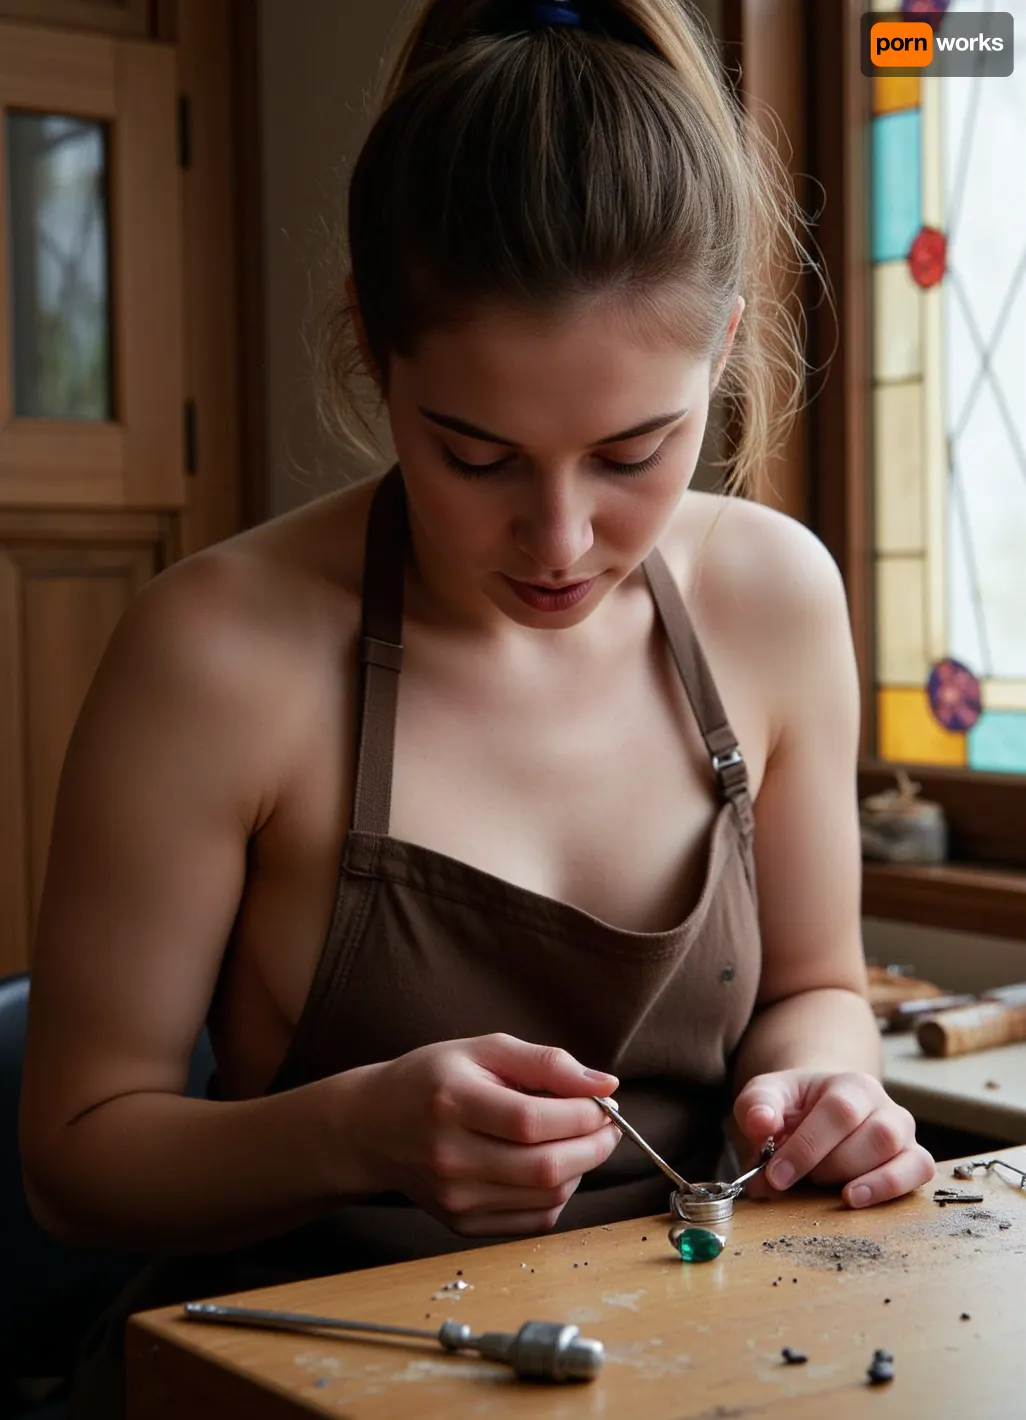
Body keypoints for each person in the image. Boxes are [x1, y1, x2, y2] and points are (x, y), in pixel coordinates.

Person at [20, 0, 934, 1413]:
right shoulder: (216, 653)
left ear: (726, 347)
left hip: (698, 1357)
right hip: (307, 1375)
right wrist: (354, 1134)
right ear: (374, 352)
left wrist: (821, 1088)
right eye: (474, 455)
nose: (558, 539)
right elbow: (76, 1160)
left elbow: (815, 986)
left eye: (634, 450)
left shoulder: (773, 598)